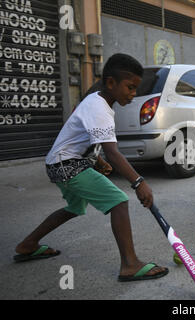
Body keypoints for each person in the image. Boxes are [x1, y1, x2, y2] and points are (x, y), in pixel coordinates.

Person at [14, 53, 169, 282]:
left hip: (60, 163)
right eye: (129, 87)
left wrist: (96, 160)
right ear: (110, 83)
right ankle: (130, 264)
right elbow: (114, 153)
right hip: (67, 165)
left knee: (74, 207)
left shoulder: (98, 101)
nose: (133, 93)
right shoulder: (99, 107)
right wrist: (138, 182)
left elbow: (84, 139)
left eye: (136, 88)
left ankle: (28, 244)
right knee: (119, 201)